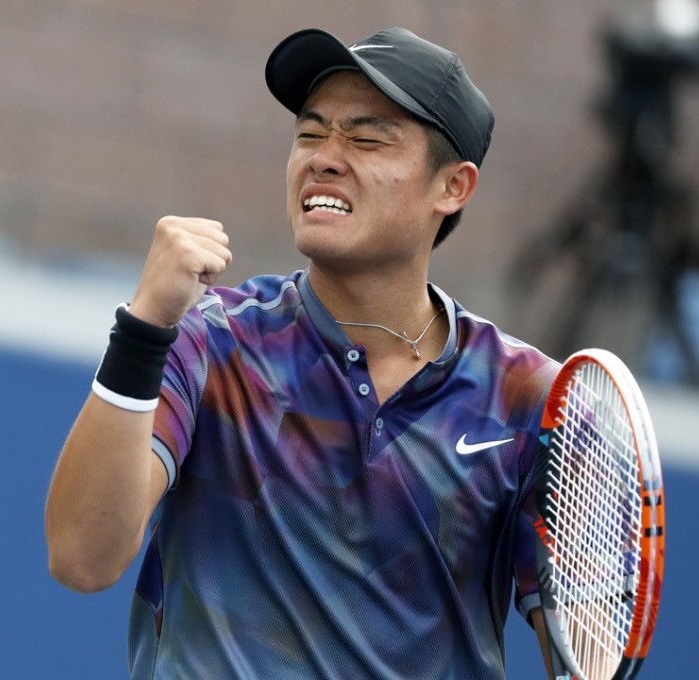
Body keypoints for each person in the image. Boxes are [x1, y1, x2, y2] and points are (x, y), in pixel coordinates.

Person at [45, 27, 561, 679]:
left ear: (453, 187)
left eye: (367, 138)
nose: (324, 156)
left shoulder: (533, 397)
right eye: (311, 133)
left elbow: (581, 642)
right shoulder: (209, 337)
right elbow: (82, 557)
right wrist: (145, 325)